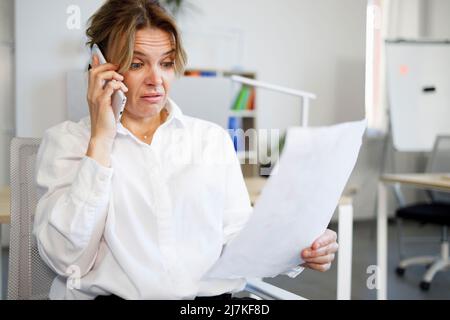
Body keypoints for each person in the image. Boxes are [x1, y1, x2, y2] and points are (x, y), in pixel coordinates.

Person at [33, 0, 338, 300]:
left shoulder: (210, 139)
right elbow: (65, 259)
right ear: (100, 67)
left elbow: (238, 235)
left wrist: (299, 248)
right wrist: (100, 140)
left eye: (166, 63)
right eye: (137, 64)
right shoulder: (69, 143)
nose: (156, 80)